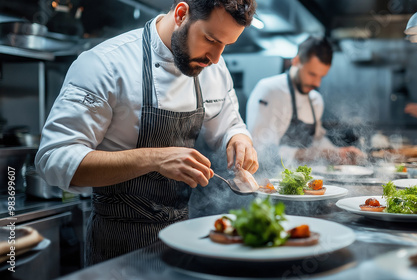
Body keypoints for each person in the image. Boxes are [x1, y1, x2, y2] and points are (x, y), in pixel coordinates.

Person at [35, 0, 258, 265]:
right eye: (210, 39)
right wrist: (154, 158)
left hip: (182, 237)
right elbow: (53, 160)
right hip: (116, 246)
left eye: (225, 45)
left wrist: (239, 138)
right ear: (181, 14)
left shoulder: (214, 68)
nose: (216, 58)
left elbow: (229, 123)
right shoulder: (105, 64)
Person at [246, 36, 365, 173]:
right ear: (296, 61)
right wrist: (318, 154)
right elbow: (262, 151)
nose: (317, 83)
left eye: (321, 76)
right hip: (270, 179)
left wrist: (338, 152)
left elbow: (317, 141)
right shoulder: (270, 90)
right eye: (312, 74)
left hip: (304, 180)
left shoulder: (316, 100)